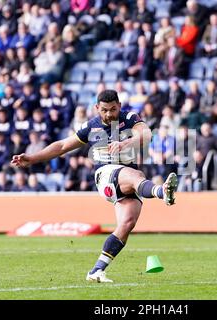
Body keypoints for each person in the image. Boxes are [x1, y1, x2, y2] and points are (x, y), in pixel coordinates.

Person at [11, 90, 178, 283]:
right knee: (137, 175)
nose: (109, 114)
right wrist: (32, 158)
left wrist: (127, 142)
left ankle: (97, 270)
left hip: (127, 183)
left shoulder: (130, 118)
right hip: (106, 176)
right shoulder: (91, 127)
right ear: (97, 108)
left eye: (113, 109)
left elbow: (146, 134)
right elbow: (62, 146)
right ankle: (161, 191)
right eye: (105, 110)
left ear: (120, 106)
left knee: (126, 224)